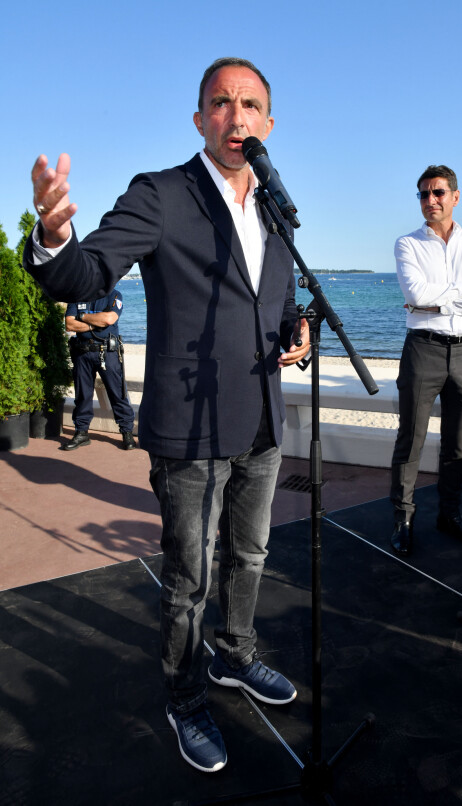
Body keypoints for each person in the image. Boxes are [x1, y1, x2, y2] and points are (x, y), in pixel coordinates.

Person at [24, 57, 310, 774]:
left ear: (268, 123)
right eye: (221, 103)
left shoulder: (275, 203)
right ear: (199, 119)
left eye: (249, 105)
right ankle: (184, 698)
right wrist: (54, 239)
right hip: (191, 426)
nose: (236, 116)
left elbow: (271, 298)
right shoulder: (161, 194)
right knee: (190, 576)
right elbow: (88, 273)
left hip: (263, 419)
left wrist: (295, 328)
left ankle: (234, 657)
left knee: (250, 556)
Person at [390, 165, 462, 557]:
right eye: (423, 194)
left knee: (456, 442)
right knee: (411, 438)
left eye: (437, 193)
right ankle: (403, 517)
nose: (430, 201)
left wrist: (441, 298)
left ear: (455, 196)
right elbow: (416, 294)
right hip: (424, 349)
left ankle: (449, 515)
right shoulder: (407, 244)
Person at [63, 288, 136, 451]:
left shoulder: (115, 295)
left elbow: (109, 319)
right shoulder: (76, 295)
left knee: (118, 394)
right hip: (82, 353)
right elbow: (69, 324)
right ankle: (81, 433)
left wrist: (82, 317)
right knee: (82, 395)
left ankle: (127, 432)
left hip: (107, 353)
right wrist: (96, 324)